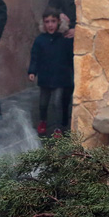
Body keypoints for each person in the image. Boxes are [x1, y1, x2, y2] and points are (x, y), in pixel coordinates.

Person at [27, 7, 74, 135]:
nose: (50, 25)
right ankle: (43, 120)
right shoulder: (40, 40)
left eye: (53, 21)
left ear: (58, 22)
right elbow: (35, 57)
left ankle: (58, 127)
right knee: (43, 103)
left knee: (57, 103)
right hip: (45, 77)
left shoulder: (65, 40)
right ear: (43, 23)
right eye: (47, 22)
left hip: (60, 78)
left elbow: (71, 57)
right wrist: (32, 71)